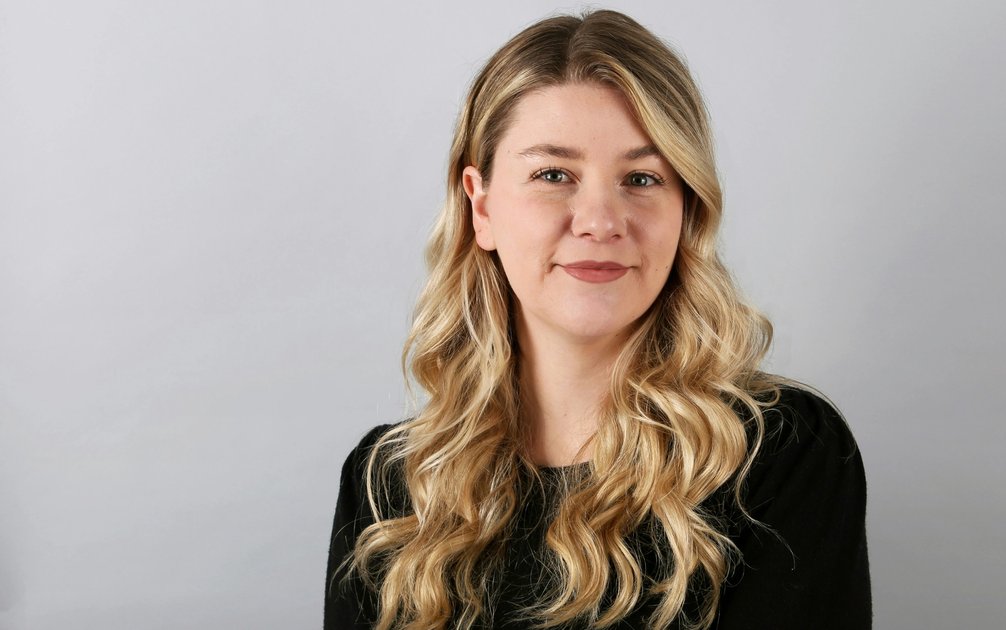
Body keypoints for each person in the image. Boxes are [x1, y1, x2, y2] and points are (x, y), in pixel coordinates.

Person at [325, 9, 870, 630]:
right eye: (553, 175)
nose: (600, 220)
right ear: (481, 207)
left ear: (686, 209)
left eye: (642, 178)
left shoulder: (780, 456)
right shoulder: (388, 485)